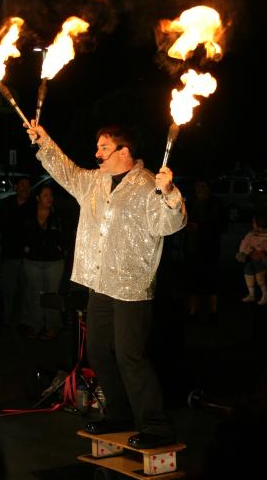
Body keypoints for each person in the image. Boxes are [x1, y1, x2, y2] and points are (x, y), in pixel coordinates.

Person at [26, 121, 187, 449]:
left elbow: (170, 224)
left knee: (130, 356)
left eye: (103, 147)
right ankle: (119, 413)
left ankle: (156, 425)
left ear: (123, 151)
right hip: (100, 282)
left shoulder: (147, 184)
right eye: (97, 147)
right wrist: (45, 142)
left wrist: (170, 194)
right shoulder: (94, 181)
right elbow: (67, 171)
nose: (96, 153)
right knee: (98, 351)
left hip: (131, 284)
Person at [22, 183, 66, 340]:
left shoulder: (58, 215)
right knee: (35, 293)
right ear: (38, 198)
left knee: (51, 294)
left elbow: (66, 234)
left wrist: (62, 247)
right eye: (46, 195)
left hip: (54, 261)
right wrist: (25, 247)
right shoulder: (28, 214)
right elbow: (19, 233)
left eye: (51, 195)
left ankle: (53, 326)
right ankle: (36, 324)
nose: (49, 198)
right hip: (32, 261)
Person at [183, 176, 228, 324]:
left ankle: (213, 312)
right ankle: (192, 311)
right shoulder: (190, 202)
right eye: (198, 186)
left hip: (209, 248)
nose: (200, 189)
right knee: (193, 280)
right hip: (192, 248)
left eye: (203, 186)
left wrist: (200, 227)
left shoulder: (216, 204)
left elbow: (221, 226)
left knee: (211, 281)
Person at [0, 176, 35, 327]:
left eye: (28, 186)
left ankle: (24, 321)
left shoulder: (34, 206)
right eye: (22, 185)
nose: (25, 188)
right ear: (16, 187)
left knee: (26, 291)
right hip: (9, 255)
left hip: (27, 257)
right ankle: (5, 319)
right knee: (7, 289)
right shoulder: (7, 204)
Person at [236, 213, 267, 305]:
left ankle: (266, 295)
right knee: (248, 273)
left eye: (254, 222)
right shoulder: (251, 234)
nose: (252, 224)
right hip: (251, 258)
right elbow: (245, 243)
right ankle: (251, 294)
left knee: (260, 276)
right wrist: (243, 252)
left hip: (261, 260)